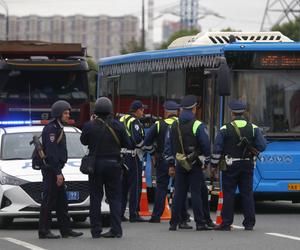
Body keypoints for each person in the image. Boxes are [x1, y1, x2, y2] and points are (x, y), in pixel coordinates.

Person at [211, 100, 267, 231]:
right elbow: (262, 146)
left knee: (229, 193)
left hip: (230, 165)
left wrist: (213, 166)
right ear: (244, 113)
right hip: (248, 164)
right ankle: (249, 223)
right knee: (247, 193)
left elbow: (217, 148)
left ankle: (226, 223)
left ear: (232, 113)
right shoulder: (253, 128)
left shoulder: (225, 128)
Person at [80, 97, 131, 238]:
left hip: (95, 165)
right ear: (110, 110)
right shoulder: (118, 126)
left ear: (96, 110)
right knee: (114, 198)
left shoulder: (90, 126)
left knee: (96, 198)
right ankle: (116, 229)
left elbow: (83, 140)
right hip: (114, 164)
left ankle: (96, 230)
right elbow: (127, 143)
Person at [165, 95, 211, 231]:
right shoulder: (197, 125)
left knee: (179, 192)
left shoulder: (174, 124)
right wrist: (206, 161)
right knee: (196, 193)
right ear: (194, 108)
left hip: (180, 163)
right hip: (195, 163)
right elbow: (206, 145)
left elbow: (169, 146)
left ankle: (173, 223)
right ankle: (200, 223)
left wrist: (171, 164)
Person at [38, 100, 83, 239]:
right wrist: (58, 173)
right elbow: (51, 154)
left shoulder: (59, 127)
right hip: (51, 170)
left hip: (57, 169)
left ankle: (65, 229)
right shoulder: (51, 129)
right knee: (48, 200)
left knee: (62, 201)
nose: (68, 115)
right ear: (58, 113)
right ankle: (44, 231)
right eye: (65, 113)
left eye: (68, 113)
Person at [144, 101, 181, 223]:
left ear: (165, 112)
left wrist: (153, 153)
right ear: (177, 112)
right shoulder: (181, 124)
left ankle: (156, 216)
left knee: (161, 188)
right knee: (179, 188)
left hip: (162, 160)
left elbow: (147, 142)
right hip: (180, 161)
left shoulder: (159, 124)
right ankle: (180, 217)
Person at [120, 100, 146, 222]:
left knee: (123, 186)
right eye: (142, 110)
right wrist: (144, 147)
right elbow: (137, 139)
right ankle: (134, 213)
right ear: (137, 110)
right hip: (132, 156)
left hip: (121, 156)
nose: (143, 112)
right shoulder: (134, 121)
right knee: (135, 185)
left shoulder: (121, 119)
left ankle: (120, 213)